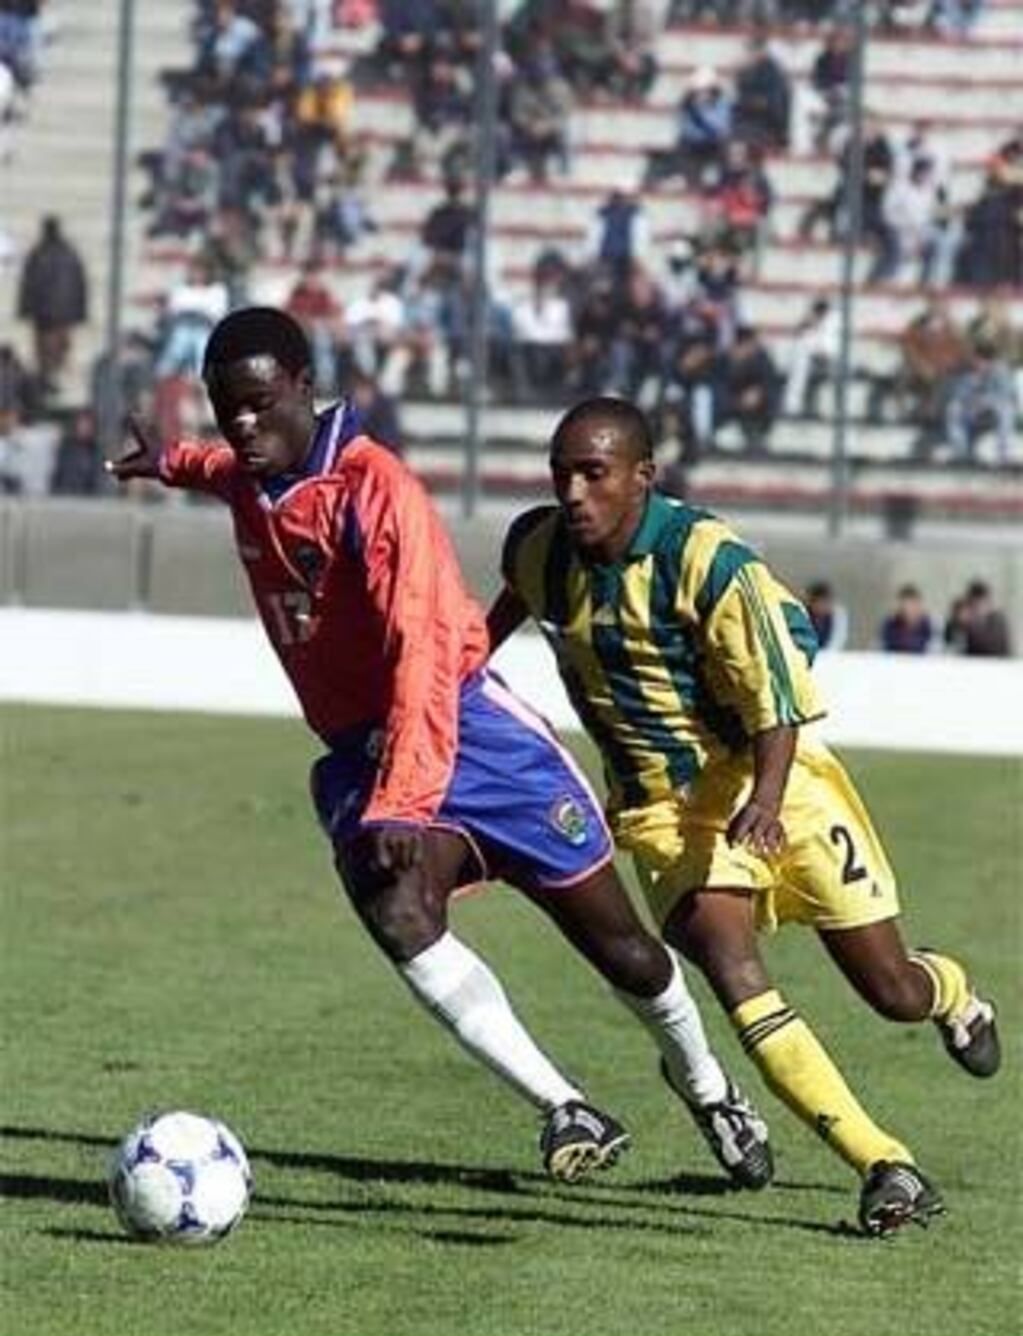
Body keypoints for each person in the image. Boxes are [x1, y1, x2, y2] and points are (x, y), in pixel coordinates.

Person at [107, 308, 771, 1190]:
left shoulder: (377, 491)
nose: (243, 425)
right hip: (366, 752)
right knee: (396, 909)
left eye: (260, 404)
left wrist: (403, 800)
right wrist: (171, 462)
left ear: (306, 387)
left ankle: (707, 1088)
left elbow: (421, 652)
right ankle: (564, 1106)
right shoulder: (254, 471)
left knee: (624, 952)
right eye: (227, 409)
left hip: (474, 738)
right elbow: (227, 468)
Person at [488, 396, 1000, 1237]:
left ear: (642, 478)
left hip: (779, 783)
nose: (573, 492)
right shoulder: (535, 547)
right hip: (662, 808)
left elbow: (777, 699)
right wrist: (457, 670)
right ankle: (884, 1165)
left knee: (891, 991)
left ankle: (947, 991)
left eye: (593, 473)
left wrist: (762, 801)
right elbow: (514, 597)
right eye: (560, 474)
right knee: (731, 967)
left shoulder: (710, 564)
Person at [16, 214, 89, 395]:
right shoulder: (67, 253)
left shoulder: (40, 253)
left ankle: (49, 377)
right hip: (60, 312)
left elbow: (28, 283)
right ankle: (49, 377)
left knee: (48, 347)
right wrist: (80, 311)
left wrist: (25, 309)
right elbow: (80, 283)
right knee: (55, 346)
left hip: (47, 312)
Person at [879, 585, 934, 654]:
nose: (910, 609)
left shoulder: (928, 624)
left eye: (913, 604)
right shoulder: (890, 623)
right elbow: (886, 645)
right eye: (907, 605)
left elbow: (930, 647)